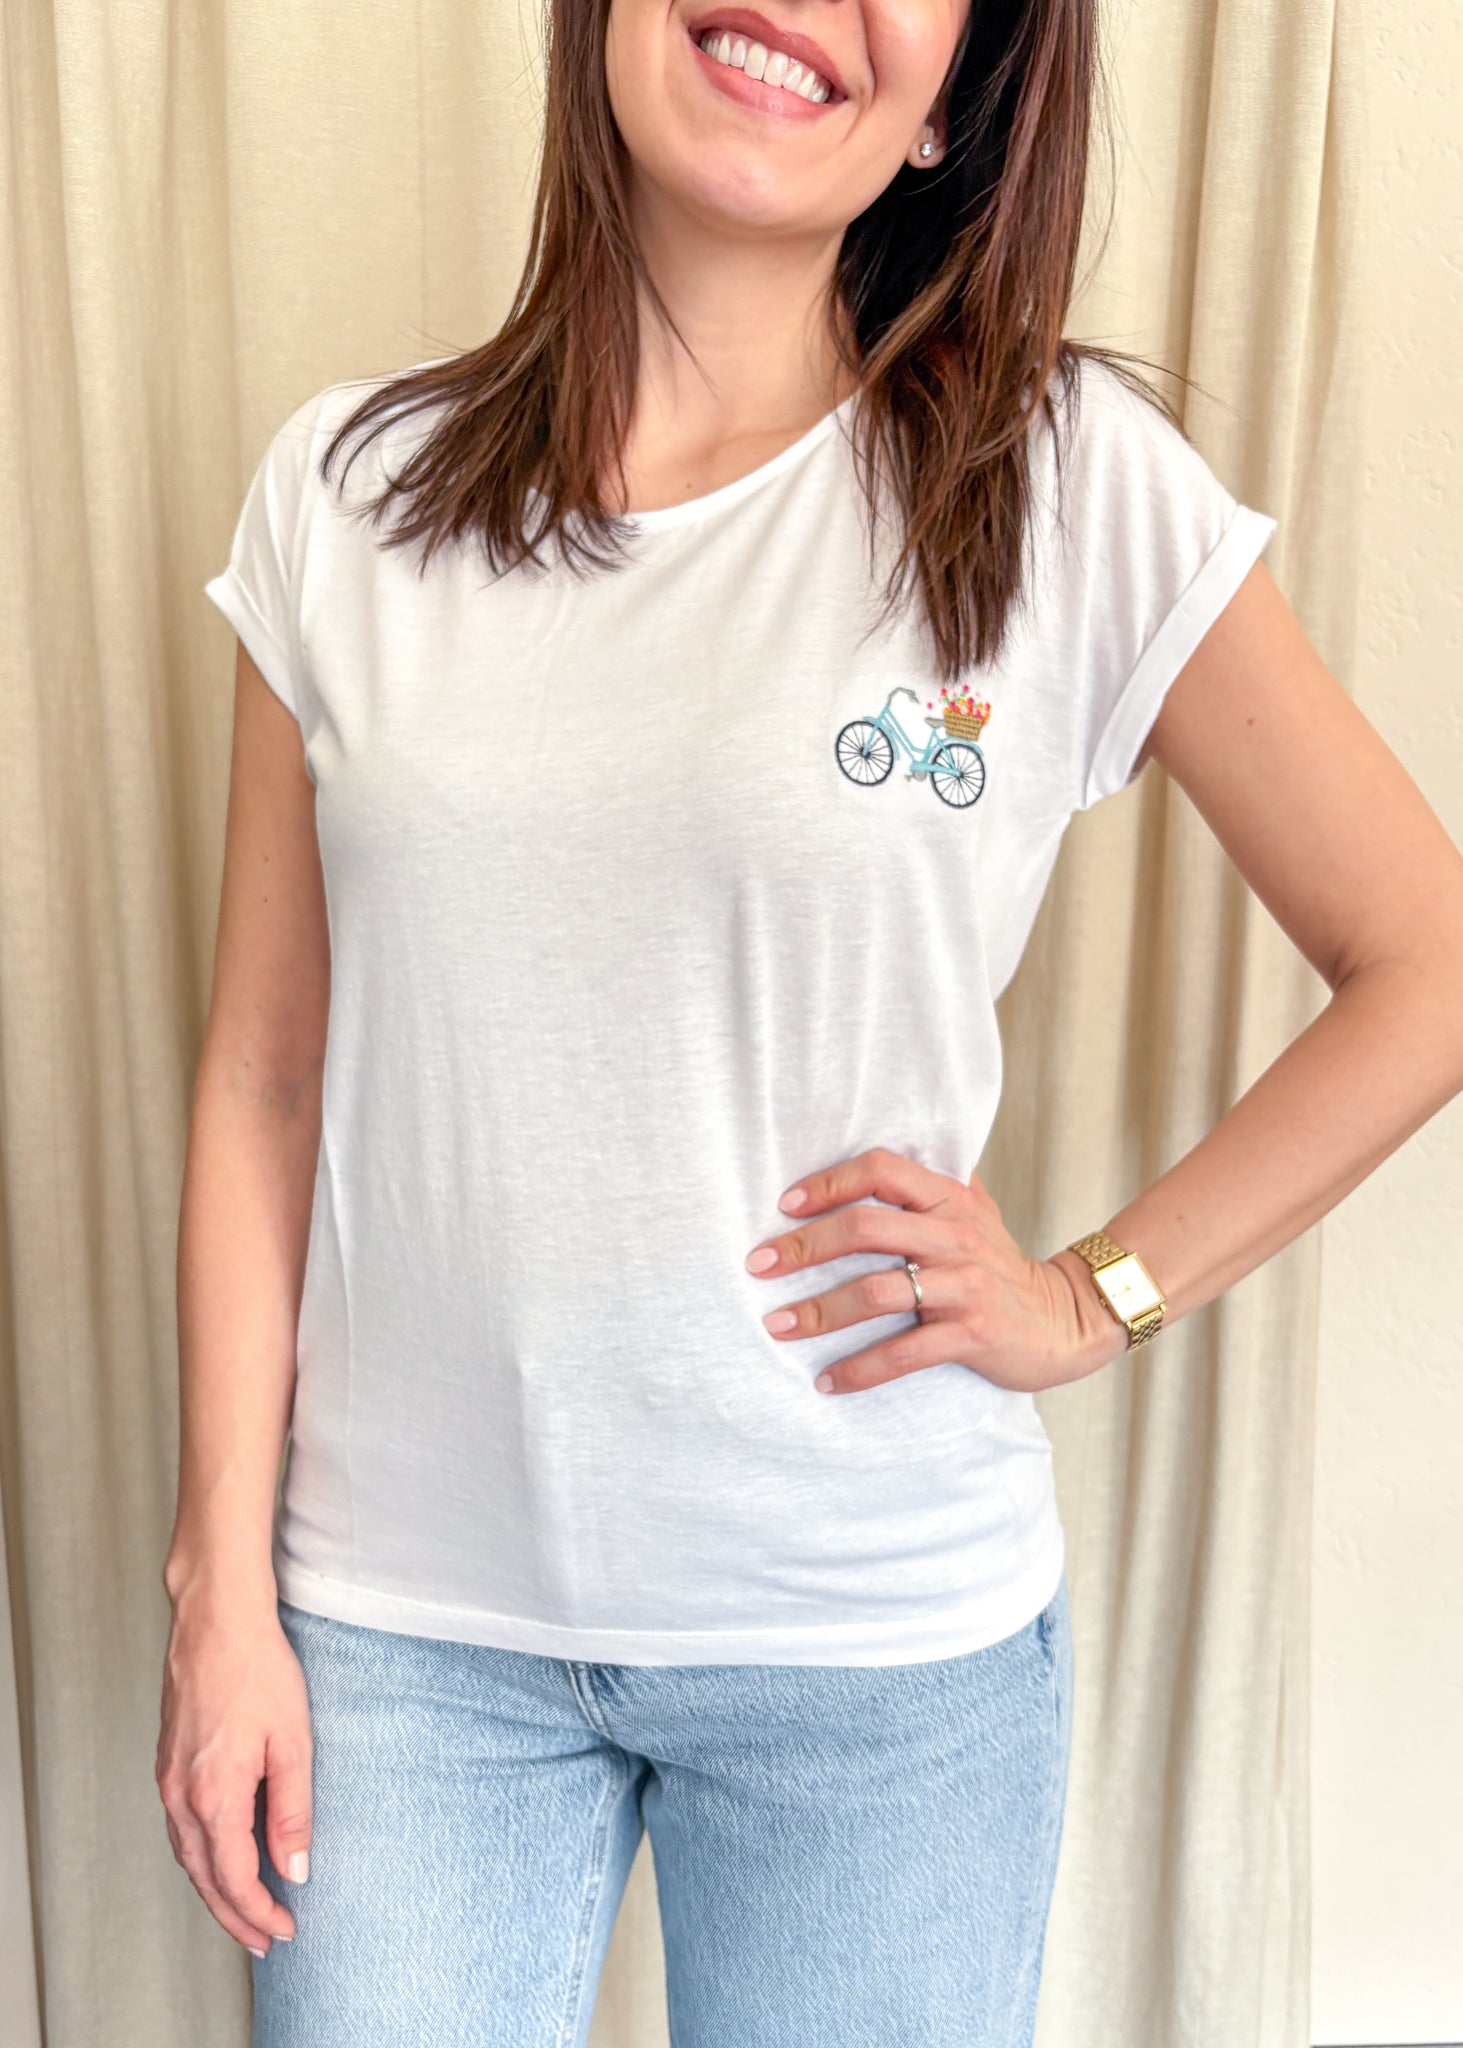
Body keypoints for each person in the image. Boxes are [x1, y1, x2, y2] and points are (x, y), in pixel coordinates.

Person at [157, 0, 1463, 2041]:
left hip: (874, 1656)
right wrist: (219, 1587)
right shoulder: (351, 493)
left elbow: (1429, 958)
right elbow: (263, 1078)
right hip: (402, 1645)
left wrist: (1092, 1295)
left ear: (954, 100)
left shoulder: (1059, 484)